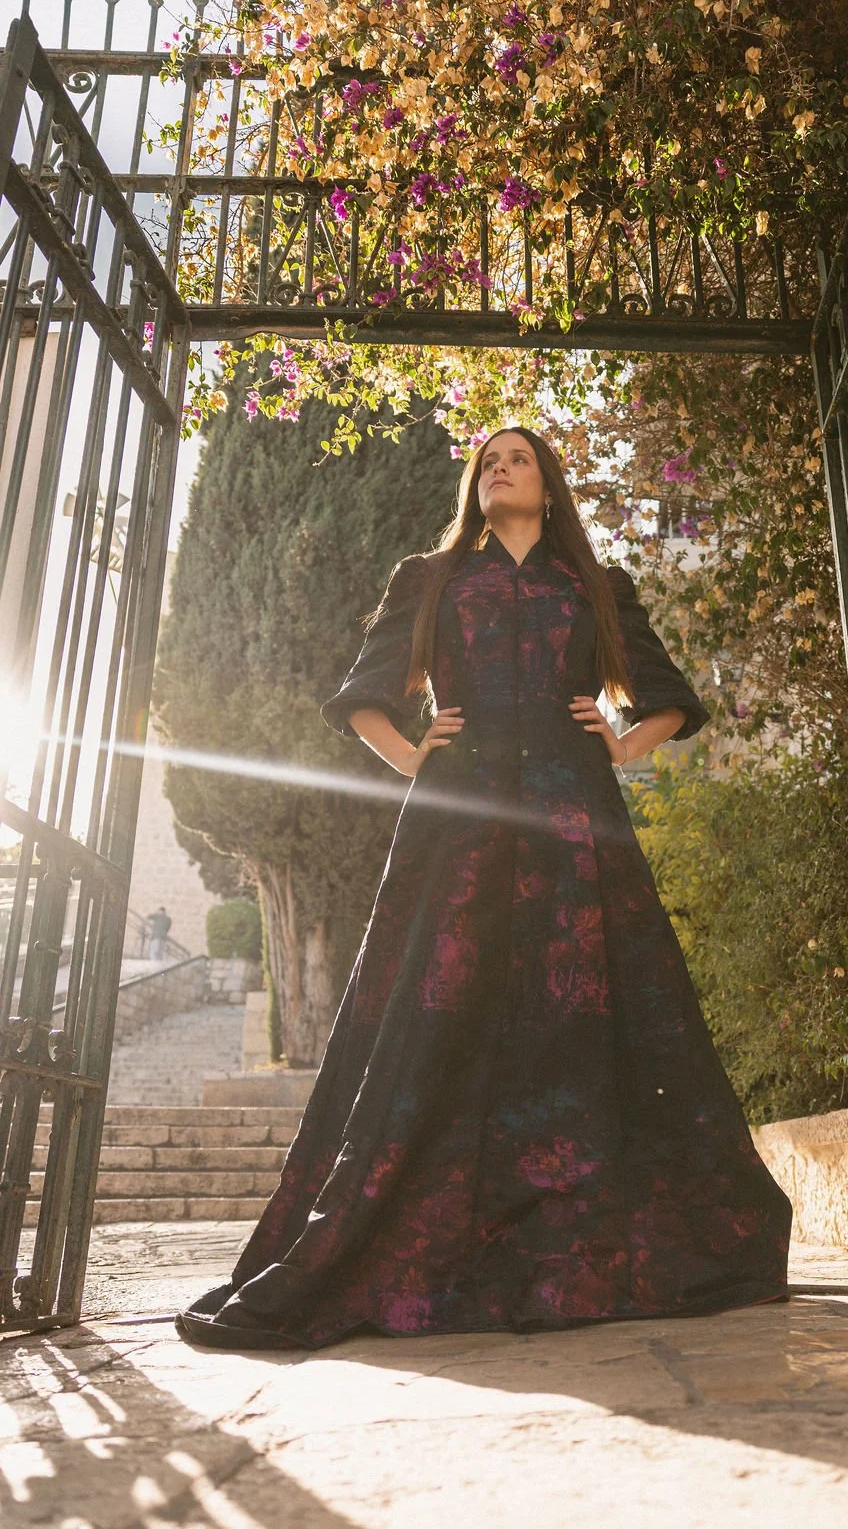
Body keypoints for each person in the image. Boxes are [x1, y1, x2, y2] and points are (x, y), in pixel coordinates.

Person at [177, 426, 792, 1350]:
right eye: (489, 459)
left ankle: (573, 1239)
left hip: (570, 817)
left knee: (578, 1013)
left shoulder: (595, 584)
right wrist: (413, 751)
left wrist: (622, 741)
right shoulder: (427, 578)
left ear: (548, 487)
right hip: (456, 820)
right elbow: (363, 697)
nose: (498, 467)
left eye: (519, 458)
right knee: (438, 1012)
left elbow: (667, 694)